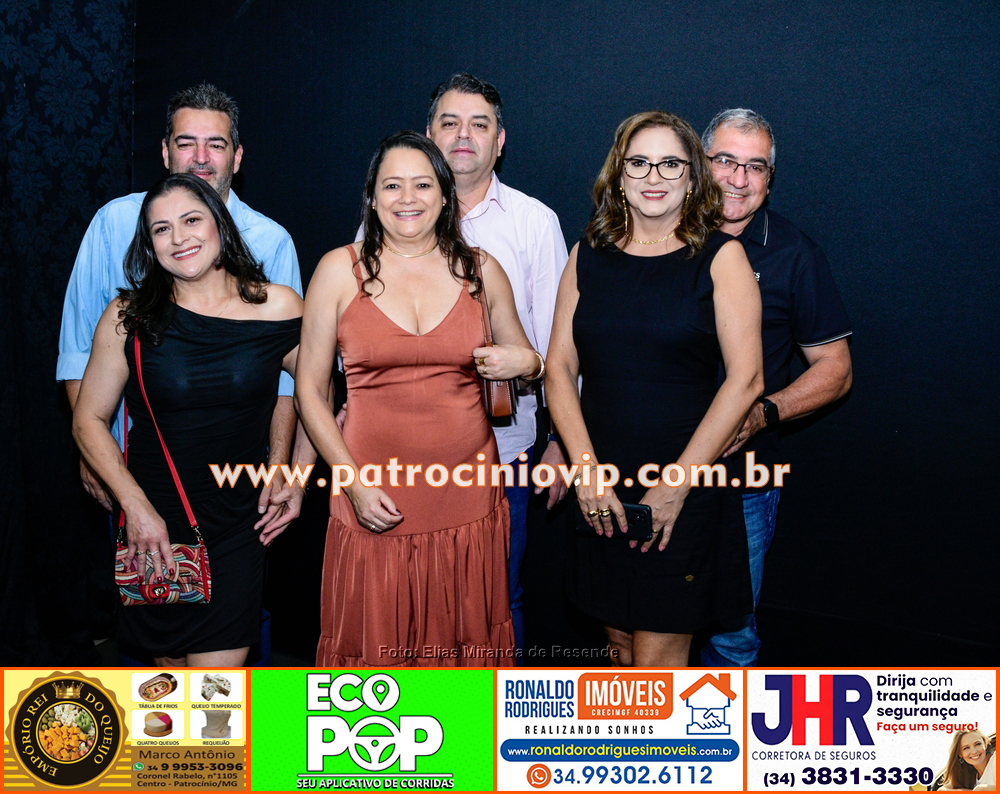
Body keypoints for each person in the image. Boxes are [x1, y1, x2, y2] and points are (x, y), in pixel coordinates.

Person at [296, 131, 544, 667]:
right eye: (392, 185)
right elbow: (310, 391)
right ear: (372, 197)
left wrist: (528, 363)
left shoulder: (481, 270)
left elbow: (528, 359)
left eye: (423, 184)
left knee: (462, 644)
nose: (407, 198)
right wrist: (353, 484)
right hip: (372, 493)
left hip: (466, 496)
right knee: (375, 654)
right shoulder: (338, 270)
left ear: (445, 194)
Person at [546, 111, 763, 667]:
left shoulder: (722, 257)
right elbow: (559, 367)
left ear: (693, 177)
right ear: (619, 175)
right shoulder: (587, 255)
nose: (654, 175)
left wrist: (675, 487)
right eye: (639, 162)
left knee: (657, 662)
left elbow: (746, 381)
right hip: (600, 486)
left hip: (683, 487)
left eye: (670, 163)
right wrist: (585, 470)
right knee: (618, 646)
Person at [73, 173, 313, 667]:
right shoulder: (127, 317)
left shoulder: (278, 306)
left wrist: (297, 476)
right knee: (166, 685)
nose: (178, 237)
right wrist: (135, 508)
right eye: (161, 229)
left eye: (191, 220)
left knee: (212, 696)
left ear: (220, 224)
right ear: (149, 245)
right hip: (154, 521)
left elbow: (315, 394)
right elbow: (88, 419)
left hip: (239, 520)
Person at [59, 83, 303, 526]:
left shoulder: (272, 241)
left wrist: (283, 467)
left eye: (216, 145)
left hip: (239, 475)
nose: (201, 158)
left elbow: (295, 378)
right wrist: (96, 452)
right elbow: (79, 351)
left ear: (237, 157)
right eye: (186, 143)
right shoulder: (114, 222)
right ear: (165, 152)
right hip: (137, 466)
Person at [700, 109, 853, 666]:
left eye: (755, 166)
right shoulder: (657, 236)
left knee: (732, 637)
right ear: (699, 162)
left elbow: (836, 368)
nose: (739, 179)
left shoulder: (794, 252)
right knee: (642, 628)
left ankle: (722, 727)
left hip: (743, 482)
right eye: (725, 161)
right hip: (648, 470)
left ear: (770, 177)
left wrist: (762, 413)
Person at [426, 74, 570, 656]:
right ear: (429, 134)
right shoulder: (389, 214)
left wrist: (561, 442)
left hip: (502, 452)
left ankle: (493, 715)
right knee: (413, 601)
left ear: (500, 140)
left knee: (493, 603)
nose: (463, 136)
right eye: (450, 123)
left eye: (479, 124)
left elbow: (560, 347)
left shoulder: (534, 222)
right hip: (401, 455)